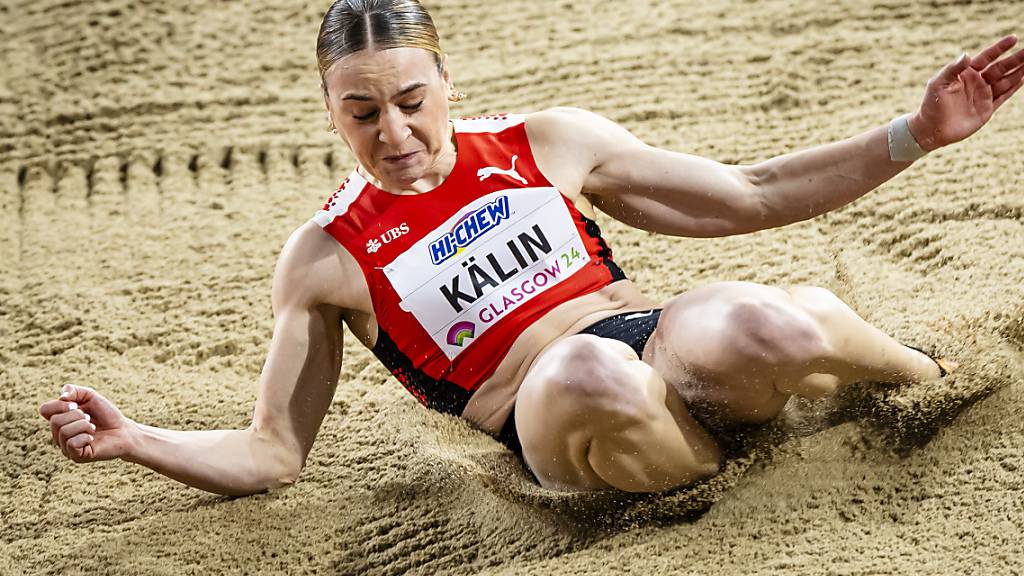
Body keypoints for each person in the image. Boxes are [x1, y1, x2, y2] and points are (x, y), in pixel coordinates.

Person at [39, 0, 1022, 496]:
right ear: (332, 112)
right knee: (588, 370)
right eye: (363, 111)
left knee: (753, 317)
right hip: (554, 414)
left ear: (445, 82)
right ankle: (717, 491)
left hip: (652, 343)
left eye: (412, 102)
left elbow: (750, 195)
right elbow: (272, 450)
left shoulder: (544, 143)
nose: (395, 133)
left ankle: (927, 381)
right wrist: (137, 444)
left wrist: (916, 134)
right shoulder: (326, 256)